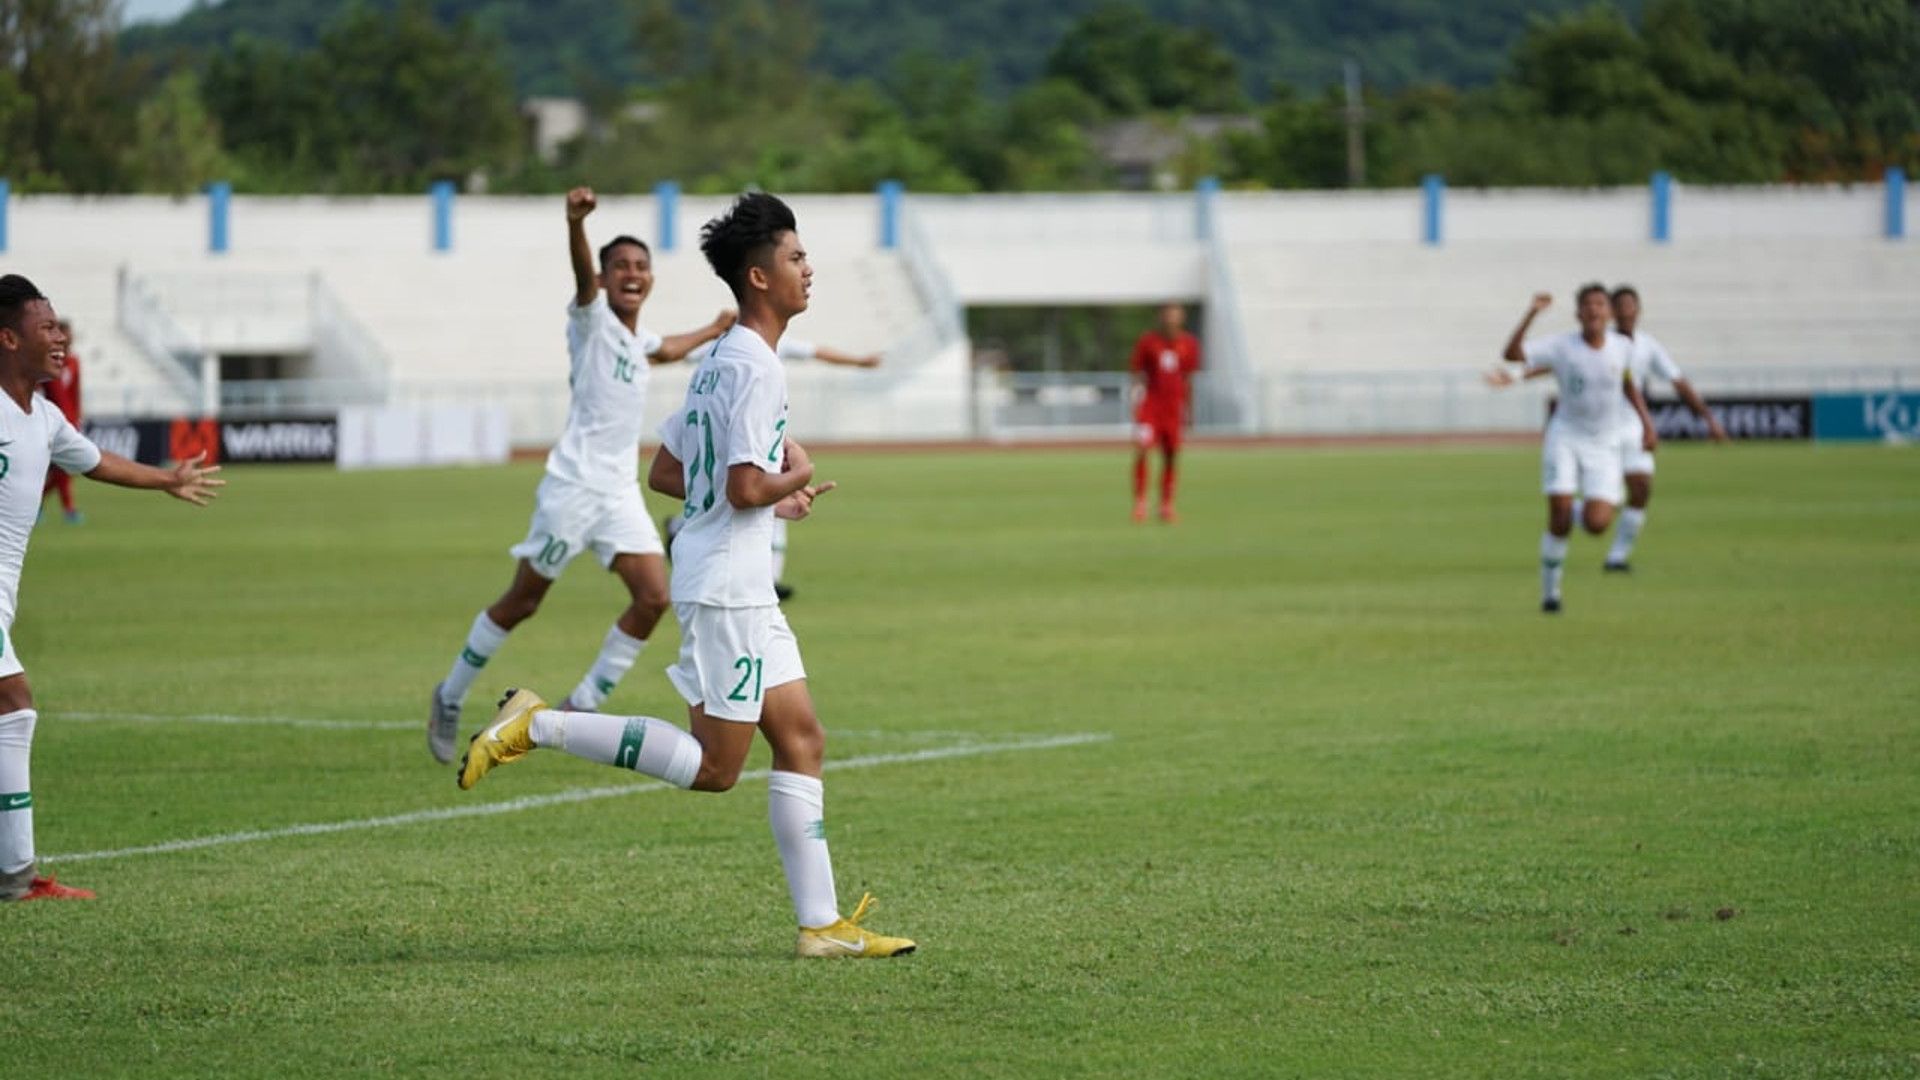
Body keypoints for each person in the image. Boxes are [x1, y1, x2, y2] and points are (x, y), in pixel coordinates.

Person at [457, 192, 914, 959]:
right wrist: (792, 471)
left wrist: (774, 498)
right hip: (728, 587)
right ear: (759, 276)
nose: (809, 270)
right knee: (714, 769)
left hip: (735, 579)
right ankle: (537, 724)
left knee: (802, 740)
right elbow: (739, 487)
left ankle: (822, 927)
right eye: (797, 258)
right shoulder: (755, 368)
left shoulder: (724, 361)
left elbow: (671, 472)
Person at [426, 188, 734, 764]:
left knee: (653, 598)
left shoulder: (633, 339)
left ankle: (581, 704)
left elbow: (664, 349)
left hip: (618, 492)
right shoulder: (592, 319)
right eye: (620, 266)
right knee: (523, 601)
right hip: (572, 487)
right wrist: (575, 225)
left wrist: (715, 327)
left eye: (641, 266)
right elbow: (583, 282)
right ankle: (448, 695)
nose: (632, 274)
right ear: (603, 275)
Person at [0, 275, 224, 902]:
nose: (60, 337)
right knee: (13, 702)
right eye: (47, 328)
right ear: (8, 338)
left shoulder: (42, 418)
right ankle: (16, 879)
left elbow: (95, 460)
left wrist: (166, 479)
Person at [663, 336, 881, 600]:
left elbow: (816, 349)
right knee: (736, 485)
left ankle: (769, 578)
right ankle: (686, 532)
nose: (807, 291)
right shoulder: (730, 355)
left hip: (755, 431)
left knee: (747, 491)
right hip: (726, 431)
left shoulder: (766, 347)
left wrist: (858, 361)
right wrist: (800, 475)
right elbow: (668, 353)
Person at [1500, 285, 1655, 613]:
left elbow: (1628, 384)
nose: (1595, 310)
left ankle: (1569, 506)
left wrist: (1646, 424)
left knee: (1598, 524)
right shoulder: (1562, 346)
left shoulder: (1621, 347)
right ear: (1579, 314)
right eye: (1588, 305)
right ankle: (1550, 594)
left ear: (1609, 313)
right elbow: (1512, 354)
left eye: (1601, 305)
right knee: (1557, 518)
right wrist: (1532, 313)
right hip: (1566, 437)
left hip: (1605, 443)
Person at [1601, 285, 1727, 571]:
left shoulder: (1648, 345)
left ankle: (1617, 557)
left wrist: (1707, 418)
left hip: (1634, 427)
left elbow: (1678, 381)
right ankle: (1572, 514)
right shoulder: (1601, 342)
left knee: (1642, 488)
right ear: (1611, 311)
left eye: (1630, 305)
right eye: (1619, 306)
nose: (1625, 311)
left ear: (1638, 310)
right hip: (1600, 428)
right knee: (1607, 502)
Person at [1129, 303, 1201, 523]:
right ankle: (1140, 503)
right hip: (1150, 407)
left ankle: (1166, 505)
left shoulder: (1189, 344)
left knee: (1171, 455)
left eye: (1175, 315)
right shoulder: (1148, 341)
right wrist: (1136, 404)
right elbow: (1136, 374)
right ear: (1161, 317)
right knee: (1142, 449)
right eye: (1168, 315)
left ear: (1182, 318)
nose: (1171, 319)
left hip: (1173, 408)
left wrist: (1189, 410)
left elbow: (1189, 379)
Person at [40, 320, 81, 525]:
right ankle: (68, 509)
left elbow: (75, 394)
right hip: (50, 422)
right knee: (61, 468)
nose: (67, 337)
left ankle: (64, 508)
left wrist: (77, 419)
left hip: (70, 421)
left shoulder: (74, 362)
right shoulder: (47, 363)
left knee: (64, 469)